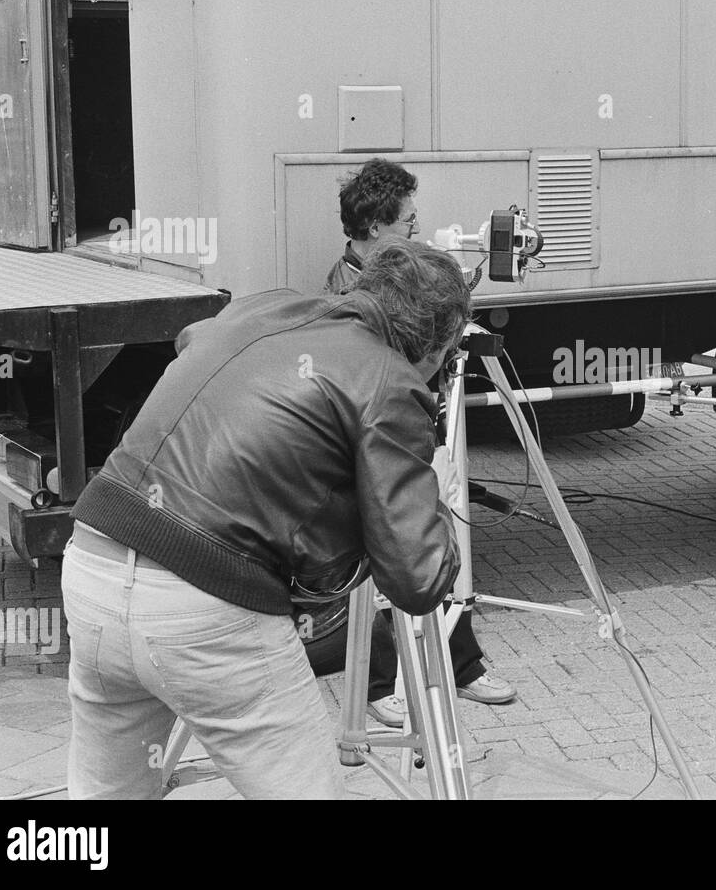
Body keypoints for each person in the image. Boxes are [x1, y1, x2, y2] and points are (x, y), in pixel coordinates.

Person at [61, 244, 470, 798]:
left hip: (93, 562)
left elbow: (192, 341)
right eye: (445, 356)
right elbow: (417, 580)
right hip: (204, 606)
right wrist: (436, 489)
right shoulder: (389, 379)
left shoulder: (270, 305)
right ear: (435, 343)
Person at [327, 159, 516, 727]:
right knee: (383, 557)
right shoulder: (347, 288)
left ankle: (463, 663)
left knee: (432, 535)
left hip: (409, 424)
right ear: (375, 225)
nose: (416, 228)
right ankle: (378, 682)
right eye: (407, 221)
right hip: (375, 436)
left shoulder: (402, 273)